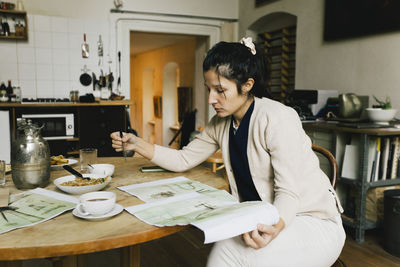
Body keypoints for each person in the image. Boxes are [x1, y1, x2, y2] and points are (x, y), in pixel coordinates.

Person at [110, 37, 345, 266]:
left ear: (247, 85)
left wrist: (273, 227)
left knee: (239, 256)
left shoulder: (278, 117)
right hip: (262, 216)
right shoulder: (221, 123)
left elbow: (289, 193)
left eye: (220, 90)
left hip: (310, 220)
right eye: (209, 89)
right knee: (224, 250)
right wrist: (137, 144)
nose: (212, 99)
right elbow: (183, 159)